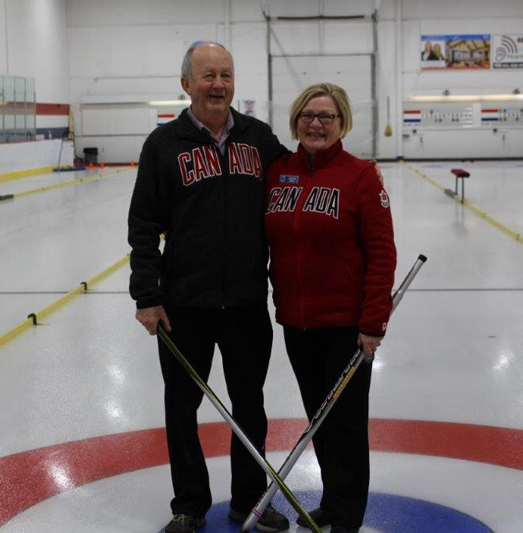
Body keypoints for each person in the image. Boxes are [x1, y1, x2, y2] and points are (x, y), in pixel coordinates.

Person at [128, 41, 290, 533]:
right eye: (207, 76)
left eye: (225, 74)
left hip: (244, 302)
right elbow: (143, 223)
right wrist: (148, 295)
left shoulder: (259, 139)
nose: (218, 85)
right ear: (186, 84)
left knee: (250, 406)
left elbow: (296, 186)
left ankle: (249, 501)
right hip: (183, 306)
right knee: (181, 409)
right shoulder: (163, 145)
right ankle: (190, 505)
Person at [263, 83, 397, 532]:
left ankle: (348, 516)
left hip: (345, 326)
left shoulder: (360, 176)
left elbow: (381, 252)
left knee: (347, 427)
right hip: (296, 323)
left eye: (327, 117)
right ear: (295, 119)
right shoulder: (279, 172)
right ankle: (333, 499)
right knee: (320, 422)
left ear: (343, 123)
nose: (316, 124)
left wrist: (373, 322)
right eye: (307, 115)